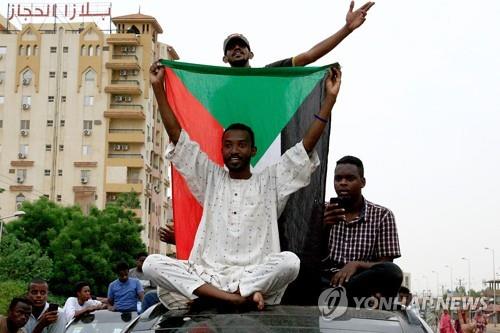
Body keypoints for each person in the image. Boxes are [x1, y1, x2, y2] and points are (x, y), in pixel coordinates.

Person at [143, 60, 342, 311]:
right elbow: (177, 137)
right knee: (152, 264)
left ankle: (218, 297)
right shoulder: (210, 178)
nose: (234, 150)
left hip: (253, 277)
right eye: (228, 145)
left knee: (290, 262)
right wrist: (158, 88)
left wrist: (329, 101)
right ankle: (233, 299)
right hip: (207, 275)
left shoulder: (271, 181)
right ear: (222, 150)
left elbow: (306, 147)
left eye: (241, 145)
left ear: (253, 150)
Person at [321, 156, 402, 302]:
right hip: (325, 279)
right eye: (338, 179)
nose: (343, 183)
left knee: (393, 272)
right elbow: (311, 257)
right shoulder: (322, 212)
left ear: (362, 182)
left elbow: (386, 263)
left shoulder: (382, 215)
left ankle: (339, 298)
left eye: (350, 179)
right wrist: (324, 227)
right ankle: (342, 298)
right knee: (296, 266)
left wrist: (356, 265)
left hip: (358, 280)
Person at [222, 1, 375, 68]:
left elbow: (309, 56)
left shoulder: (268, 74)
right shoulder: (214, 89)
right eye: (231, 47)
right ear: (225, 58)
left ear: (251, 54)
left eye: (242, 45)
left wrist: (346, 29)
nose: (237, 47)